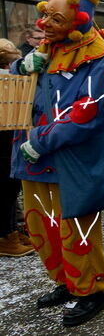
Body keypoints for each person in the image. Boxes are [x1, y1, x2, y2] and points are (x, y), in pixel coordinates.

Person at [12, 0, 104, 326]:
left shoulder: (99, 57)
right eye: (44, 15)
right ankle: (66, 281)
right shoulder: (45, 50)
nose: (45, 23)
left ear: (78, 19)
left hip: (71, 159)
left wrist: (41, 140)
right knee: (43, 224)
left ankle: (90, 289)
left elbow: (89, 112)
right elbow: (18, 92)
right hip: (33, 159)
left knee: (76, 228)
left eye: (56, 18)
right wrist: (23, 68)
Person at [0, 39, 32, 258]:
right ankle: (5, 237)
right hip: (3, 137)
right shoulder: (5, 79)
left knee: (11, 188)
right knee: (5, 189)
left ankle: (11, 231)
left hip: (9, 136)